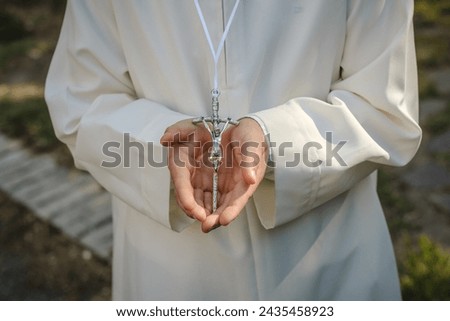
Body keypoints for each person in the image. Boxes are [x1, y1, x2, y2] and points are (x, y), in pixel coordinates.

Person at [45, 0, 421, 300]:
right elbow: (79, 102)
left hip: (325, 262)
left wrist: (274, 141)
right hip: (170, 272)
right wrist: (159, 143)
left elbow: (385, 110)